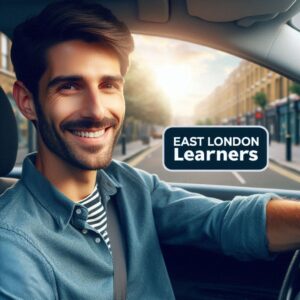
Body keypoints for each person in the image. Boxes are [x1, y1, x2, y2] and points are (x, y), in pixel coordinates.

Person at [0, 1, 299, 299]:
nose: (96, 109)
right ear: (27, 102)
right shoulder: (13, 245)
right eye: (69, 86)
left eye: (108, 85)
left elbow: (221, 223)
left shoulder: (130, 186)